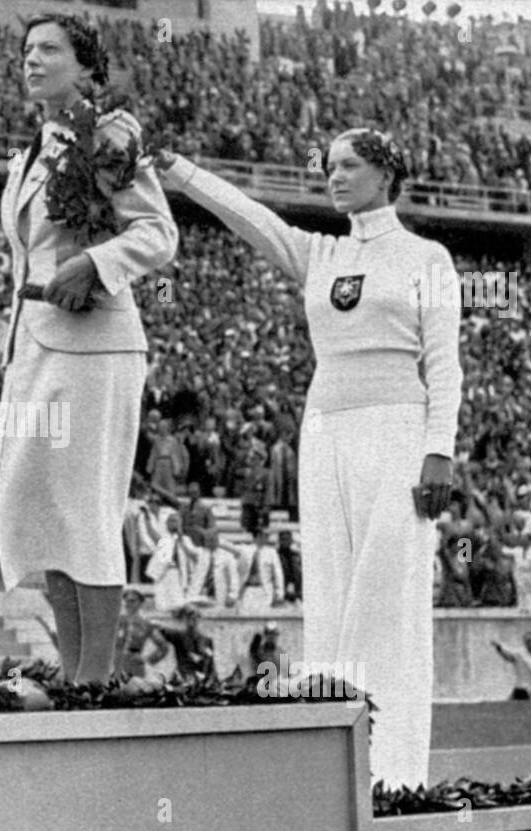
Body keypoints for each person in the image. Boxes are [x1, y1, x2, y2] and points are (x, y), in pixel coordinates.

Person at [155, 126, 462, 789]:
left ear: (386, 174)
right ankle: (338, 766)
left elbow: (444, 361)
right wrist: (178, 169)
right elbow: (250, 217)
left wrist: (441, 450)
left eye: (350, 165)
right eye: (328, 166)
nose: (335, 175)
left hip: (401, 432)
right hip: (324, 432)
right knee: (329, 591)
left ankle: (398, 775)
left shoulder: (426, 257)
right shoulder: (319, 253)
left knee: (389, 593)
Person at [0, 15, 178, 685]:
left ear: (86, 68)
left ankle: (95, 676)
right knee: (41, 505)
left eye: (49, 49)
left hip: (97, 346)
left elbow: (158, 233)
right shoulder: (28, 151)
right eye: (27, 49)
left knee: (85, 507)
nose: (33, 59)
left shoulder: (111, 136)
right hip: (36, 343)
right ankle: (73, 670)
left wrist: (94, 263)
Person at [491, 631, 531, 700]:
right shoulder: (519, 654)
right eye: (528, 641)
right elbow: (508, 657)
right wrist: (499, 648)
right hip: (522, 689)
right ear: (525, 642)